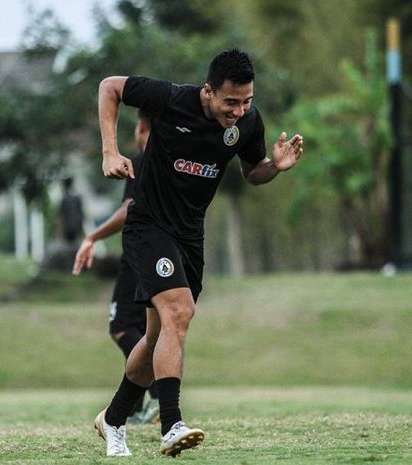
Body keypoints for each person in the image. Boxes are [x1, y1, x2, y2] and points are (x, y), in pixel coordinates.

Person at [93, 48, 304, 457]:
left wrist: (274, 167)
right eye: (231, 102)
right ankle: (172, 425)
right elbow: (109, 87)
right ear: (208, 92)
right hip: (148, 226)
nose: (239, 110)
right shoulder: (171, 99)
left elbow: (251, 171)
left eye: (246, 101)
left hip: (190, 237)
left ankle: (113, 419)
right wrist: (110, 150)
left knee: (157, 338)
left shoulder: (247, 122)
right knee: (179, 311)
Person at [72, 109, 159, 425]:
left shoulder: (140, 161)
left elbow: (129, 209)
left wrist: (93, 236)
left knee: (122, 326)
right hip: (168, 255)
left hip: (139, 254)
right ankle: (141, 404)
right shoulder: (174, 160)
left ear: (141, 127)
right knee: (154, 329)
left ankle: (154, 400)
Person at [57, 177, 84, 245]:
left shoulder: (64, 199)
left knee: (68, 248)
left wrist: (59, 233)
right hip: (77, 228)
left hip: (67, 230)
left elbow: (61, 217)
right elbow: (82, 214)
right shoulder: (77, 198)